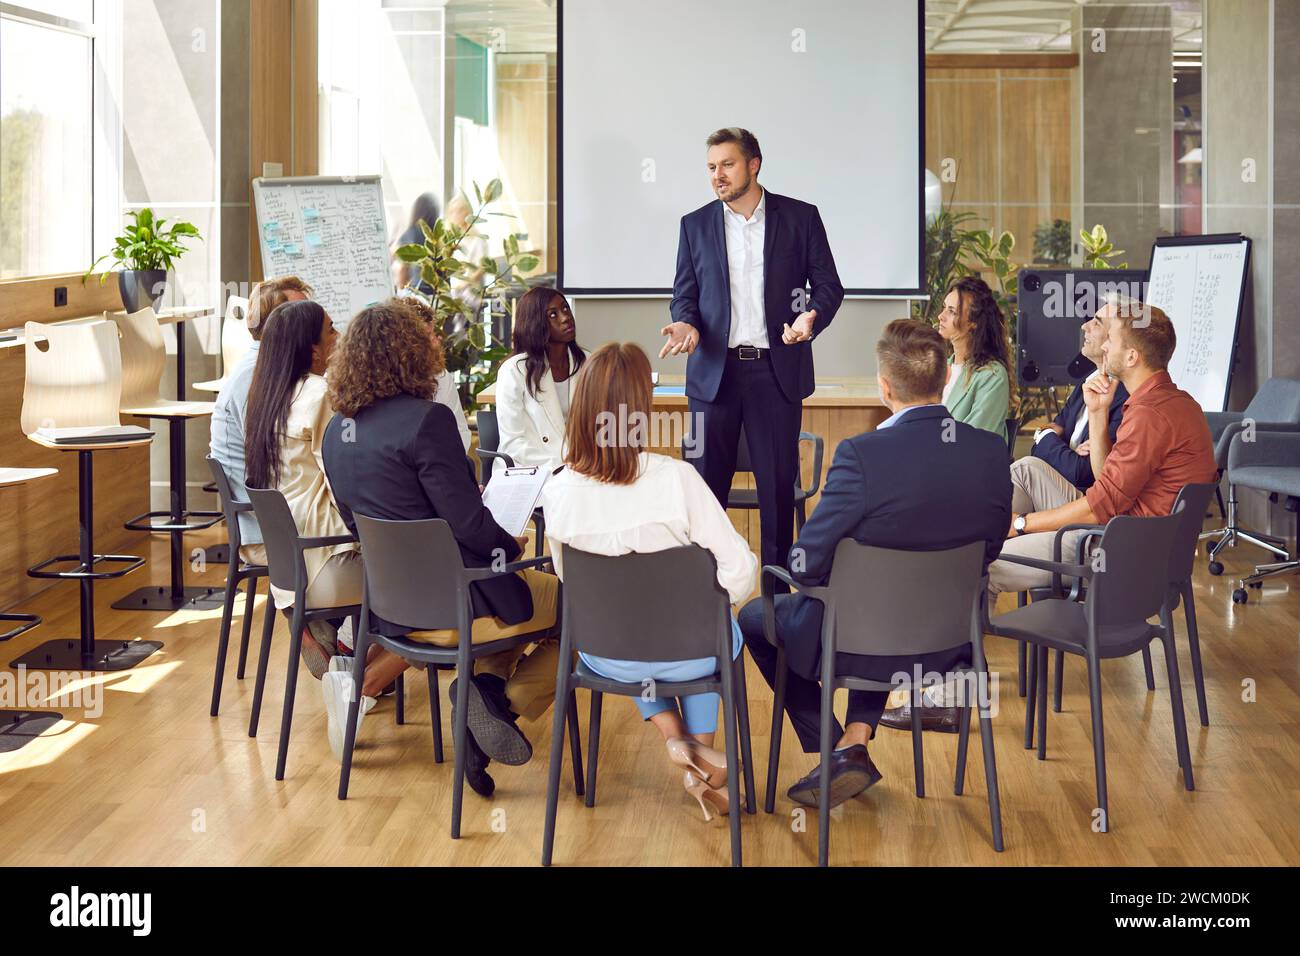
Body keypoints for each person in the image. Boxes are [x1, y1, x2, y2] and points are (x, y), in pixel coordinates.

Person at [737, 319, 1011, 808]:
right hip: (950, 643)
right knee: (880, 612)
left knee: (756, 618)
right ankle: (857, 739)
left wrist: (824, 576)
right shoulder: (991, 452)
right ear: (946, 376)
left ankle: (837, 747)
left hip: (863, 643)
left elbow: (801, 564)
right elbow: (990, 550)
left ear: (884, 387)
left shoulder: (861, 455)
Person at [322, 302, 561, 798]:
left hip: (390, 610)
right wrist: (507, 546)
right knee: (576, 610)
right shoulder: (427, 422)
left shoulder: (336, 433)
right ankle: (500, 703)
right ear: (413, 352)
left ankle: (483, 696)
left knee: (519, 599)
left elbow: (356, 524)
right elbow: (470, 524)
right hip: (456, 604)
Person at [541, 343, 757, 821]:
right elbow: (740, 571)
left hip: (606, 655)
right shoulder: (678, 479)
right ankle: (700, 762)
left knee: (646, 636)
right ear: (642, 409)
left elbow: (567, 578)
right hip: (692, 651)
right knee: (711, 628)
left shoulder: (557, 491)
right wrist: (712, 605)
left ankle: (676, 740)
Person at [662, 127, 844, 581]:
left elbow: (828, 286)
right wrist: (685, 323)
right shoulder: (695, 224)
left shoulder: (800, 218)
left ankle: (776, 601)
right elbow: (684, 295)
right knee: (704, 490)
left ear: (753, 165)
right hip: (713, 376)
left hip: (775, 371)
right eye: (711, 167)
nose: (717, 176)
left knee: (777, 491)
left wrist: (811, 318)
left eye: (726, 165)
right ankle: (704, 590)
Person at [990, 297, 1217, 597]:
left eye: (1111, 339)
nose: (1105, 346)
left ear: (1132, 357)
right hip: (1127, 531)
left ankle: (983, 551)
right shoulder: (1175, 402)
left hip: (1117, 548)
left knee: (987, 567)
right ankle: (988, 531)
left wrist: (1022, 524)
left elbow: (1101, 507)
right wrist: (1097, 412)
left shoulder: (1150, 415)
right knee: (1028, 470)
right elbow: (1106, 480)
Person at [243, 300, 372, 695]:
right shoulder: (320, 395)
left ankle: (332, 641)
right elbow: (342, 482)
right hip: (326, 557)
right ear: (313, 348)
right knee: (420, 572)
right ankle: (356, 669)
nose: (340, 337)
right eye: (332, 330)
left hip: (289, 562)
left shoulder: (264, 397)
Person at [209, 276, 312, 567]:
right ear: (280, 324)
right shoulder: (253, 377)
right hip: (267, 538)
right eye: (303, 315)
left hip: (275, 525)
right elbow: (276, 461)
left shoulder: (267, 368)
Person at [1020, 310, 1128, 501]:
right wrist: (1060, 446)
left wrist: (1046, 436)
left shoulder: (1125, 397)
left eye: (1096, 323)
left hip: (1084, 506)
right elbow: (1038, 448)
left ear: (1115, 338)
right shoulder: (1085, 384)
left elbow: (1081, 473)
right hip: (1056, 490)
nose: (1084, 326)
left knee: (1022, 471)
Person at [492, 286, 587, 476]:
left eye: (565, 308)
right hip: (531, 472)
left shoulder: (588, 363)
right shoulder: (514, 371)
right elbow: (513, 443)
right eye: (553, 315)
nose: (565, 317)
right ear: (535, 323)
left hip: (580, 470)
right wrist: (563, 465)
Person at [388, 294, 472, 451]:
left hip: (438, 464)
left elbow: (460, 432)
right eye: (428, 335)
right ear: (403, 342)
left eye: (433, 333)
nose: (436, 340)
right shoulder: (379, 382)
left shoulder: (439, 374)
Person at [936, 275, 1014, 441]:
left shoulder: (992, 375)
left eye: (951, 311)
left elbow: (972, 439)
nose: (940, 316)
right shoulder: (940, 369)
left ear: (973, 322)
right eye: (944, 308)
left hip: (963, 463)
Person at [392, 192, 441, 295]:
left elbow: (402, 271)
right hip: (442, 295)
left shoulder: (411, 233)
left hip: (420, 294)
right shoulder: (441, 236)